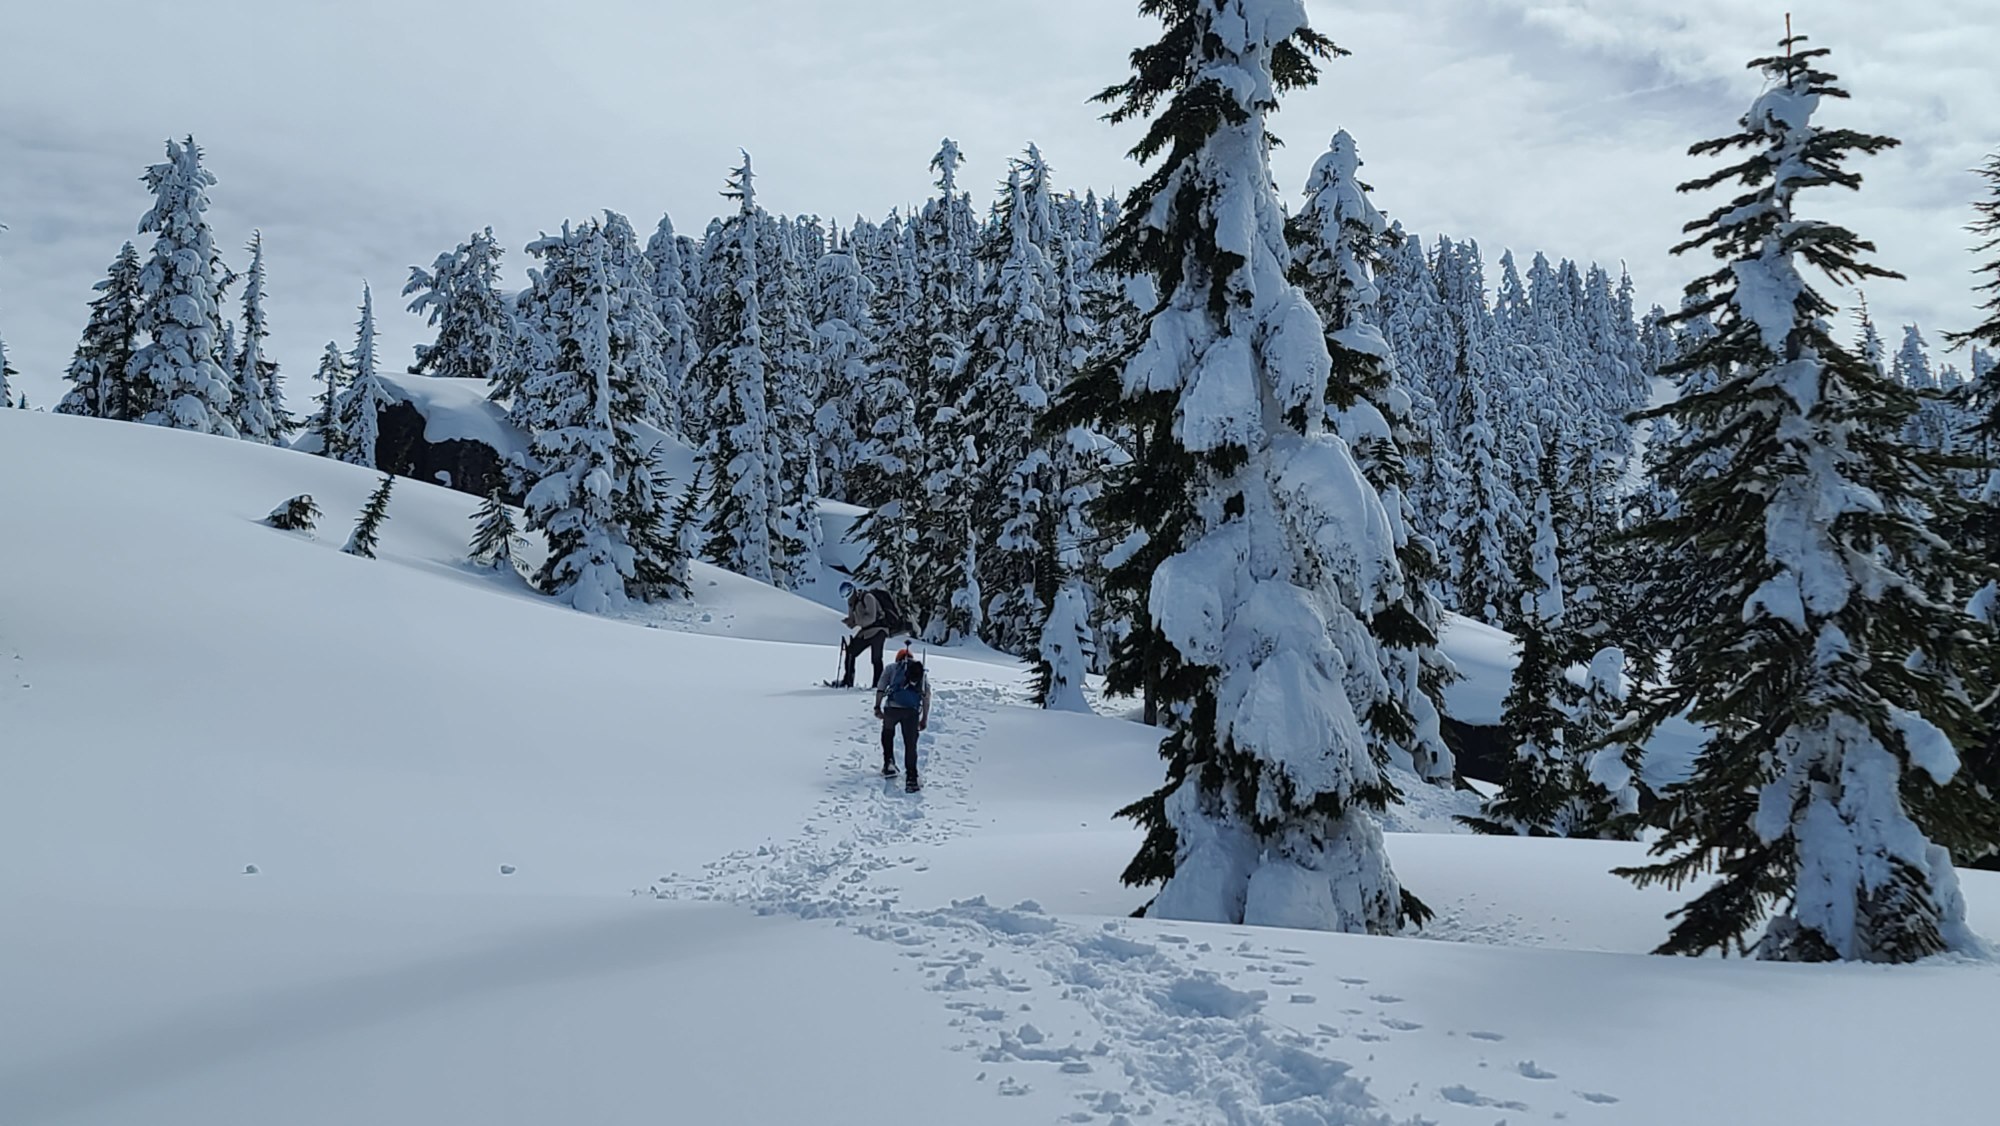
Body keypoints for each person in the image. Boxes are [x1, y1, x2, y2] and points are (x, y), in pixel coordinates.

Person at [875, 647, 931, 792]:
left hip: (892, 709)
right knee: (910, 743)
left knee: (888, 733)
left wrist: (877, 707)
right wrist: (924, 718)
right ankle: (911, 778)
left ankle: (889, 764)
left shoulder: (891, 668)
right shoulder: (920, 671)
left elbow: (881, 687)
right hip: (911, 712)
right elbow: (926, 695)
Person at [835, 580, 903, 688]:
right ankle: (848, 680)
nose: (849, 598)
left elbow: (871, 618)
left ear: (853, 590)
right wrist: (851, 621)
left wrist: (855, 621)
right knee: (851, 651)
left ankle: (878, 685)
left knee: (876, 658)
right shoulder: (851, 603)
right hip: (866, 632)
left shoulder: (868, 597)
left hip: (879, 630)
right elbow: (855, 619)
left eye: (849, 595)